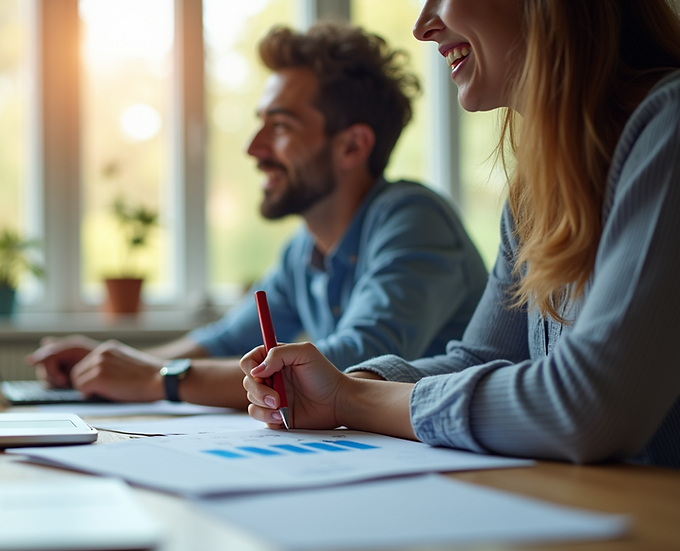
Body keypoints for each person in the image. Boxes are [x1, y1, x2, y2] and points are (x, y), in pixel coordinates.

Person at [242, 0, 680, 469]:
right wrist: (351, 384)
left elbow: (591, 404)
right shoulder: (536, 192)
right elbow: (486, 356)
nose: (421, 27)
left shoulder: (669, 127)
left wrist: (351, 400)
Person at [30, 22, 488, 408]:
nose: (254, 147)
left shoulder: (414, 220)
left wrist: (158, 379)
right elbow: (226, 342)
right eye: (260, 122)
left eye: (281, 126)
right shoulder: (303, 253)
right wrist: (112, 365)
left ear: (352, 145)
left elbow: (351, 361)